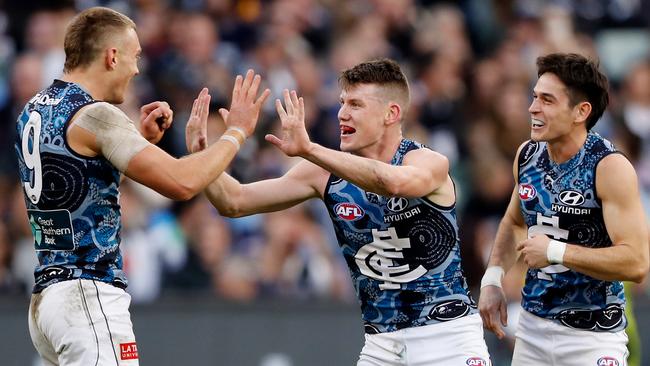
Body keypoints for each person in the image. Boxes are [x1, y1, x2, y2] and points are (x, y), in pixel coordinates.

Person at [187, 59, 490, 365]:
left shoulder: (428, 162)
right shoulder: (322, 174)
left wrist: (310, 149)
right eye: (342, 102)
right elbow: (234, 201)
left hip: (448, 338)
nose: (342, 113)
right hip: (381, 345)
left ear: (391, 113)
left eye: (356, 104)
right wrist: (204, 156)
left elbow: (393, 183)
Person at [15, 7, 269, 366]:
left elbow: (78, 188)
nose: (137, 69)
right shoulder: (97, 115)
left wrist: (134, 144)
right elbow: (182, 183)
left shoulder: (36, 109)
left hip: (47, 300)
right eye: (134, 57)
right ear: (112, 56)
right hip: (88, 295)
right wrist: (236, 132)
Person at [478, 52, 649, 365]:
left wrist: (556, 252)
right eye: (534, 96)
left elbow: (637, 263)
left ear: (581, 111)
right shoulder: (527, 155)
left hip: (592, 337)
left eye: (547, 100)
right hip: (532, 330)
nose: (532, 108)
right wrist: (493, 278)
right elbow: (514, 221)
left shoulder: (609, 167)